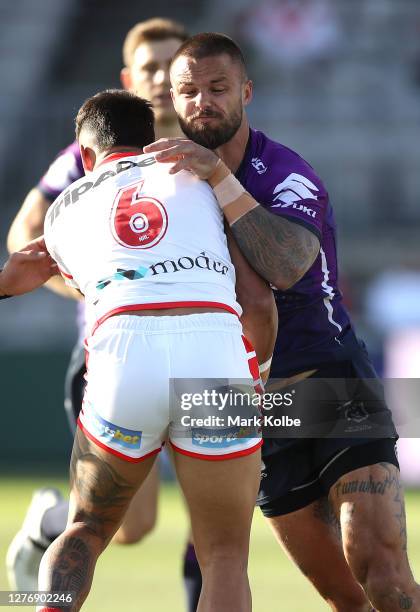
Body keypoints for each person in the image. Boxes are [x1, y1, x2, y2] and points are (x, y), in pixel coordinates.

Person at [143, 32, 420, 611]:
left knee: (382, 570)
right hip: (249, 405)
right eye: (188, 91)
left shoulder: (285, 173)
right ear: (171, 99)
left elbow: (290, 266)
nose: (202, 103)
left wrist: (221, 180)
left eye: (218, 89)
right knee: (347, 599)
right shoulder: (163, 191)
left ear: (246, 91)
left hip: (331, 380)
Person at [37, 89, 273, 612]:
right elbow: (257, 300)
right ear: (150, 137)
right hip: (214, 349)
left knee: (85, 528)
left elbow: (86, 283)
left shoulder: (62, 212)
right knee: (226, 557)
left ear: (86, 152)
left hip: (125, 355)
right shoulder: (203, 175)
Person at [6, 18, 205, 611]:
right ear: (129, 78)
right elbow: (25, 231)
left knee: (217, 506)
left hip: (204, 349)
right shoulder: (90, 155)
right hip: (115, 358)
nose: (163, 82)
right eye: (150, 70)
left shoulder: (213, 150)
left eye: (174, 69)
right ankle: (47, 525)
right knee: (130, 524)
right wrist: (100, 288)